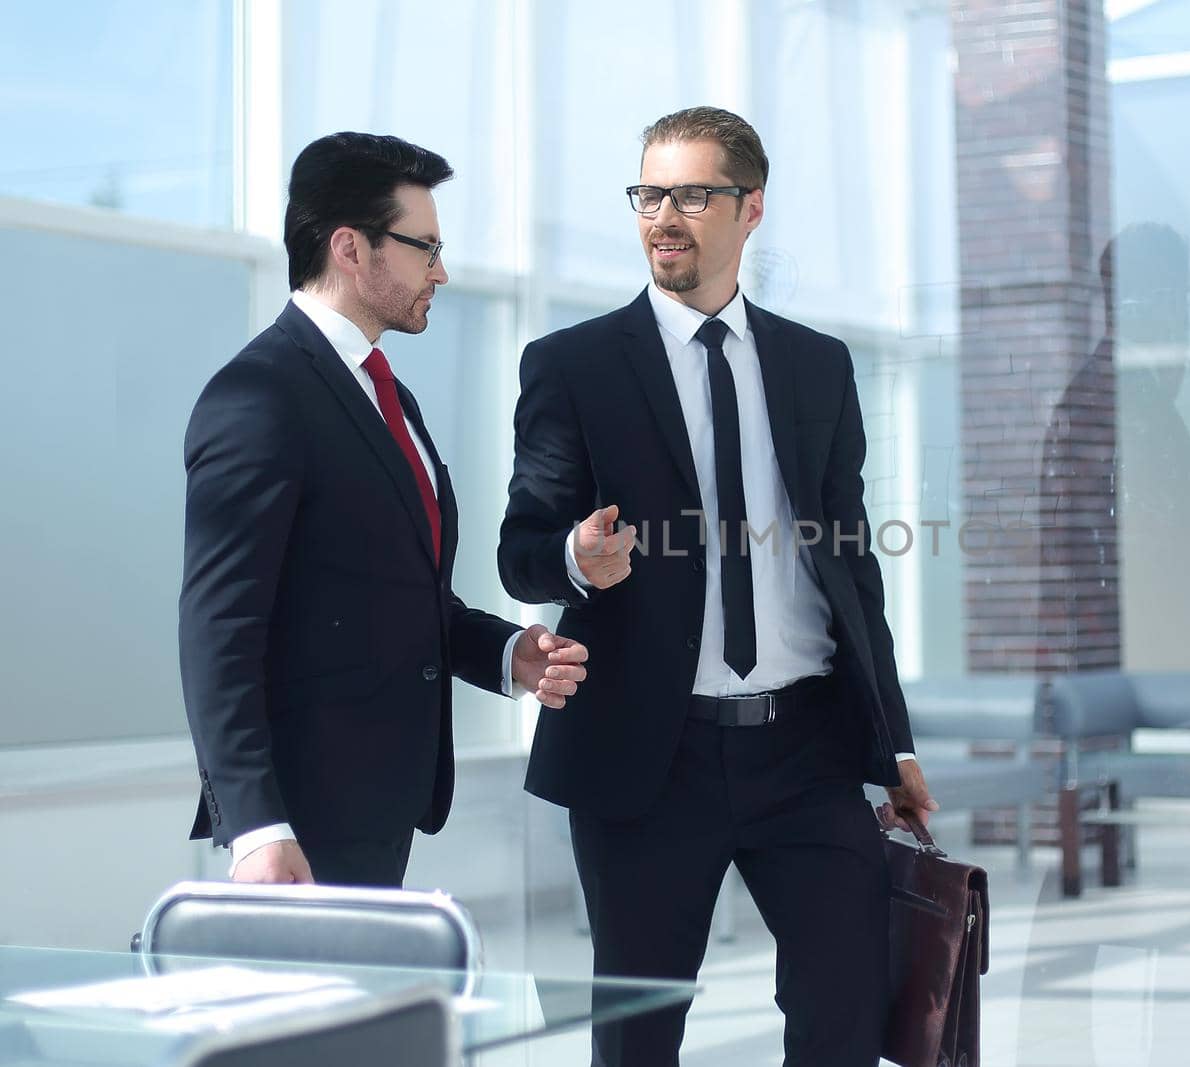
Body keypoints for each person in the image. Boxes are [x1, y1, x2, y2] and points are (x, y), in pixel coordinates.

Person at [498, 106, 936, 1066]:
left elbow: (851, 567)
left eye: (692, 194)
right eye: (649, 194)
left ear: (751, 208)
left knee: (845, 1017)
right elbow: (520, 548)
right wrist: (575, 557)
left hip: (809, 750)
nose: (665, 215)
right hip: (650, 756)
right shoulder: (573, 367)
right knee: (638, 1036)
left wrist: (891, 741)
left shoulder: (818, 366)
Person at [180, 132, 588, 889]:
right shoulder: (258, 397)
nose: (442, 270)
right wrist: (255, 825)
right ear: (351, 248)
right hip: (298, 819)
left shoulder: (388, 394)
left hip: (378, 802)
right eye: (424, 247)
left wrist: (506, 655)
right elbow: (219, 625)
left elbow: (406, 594)